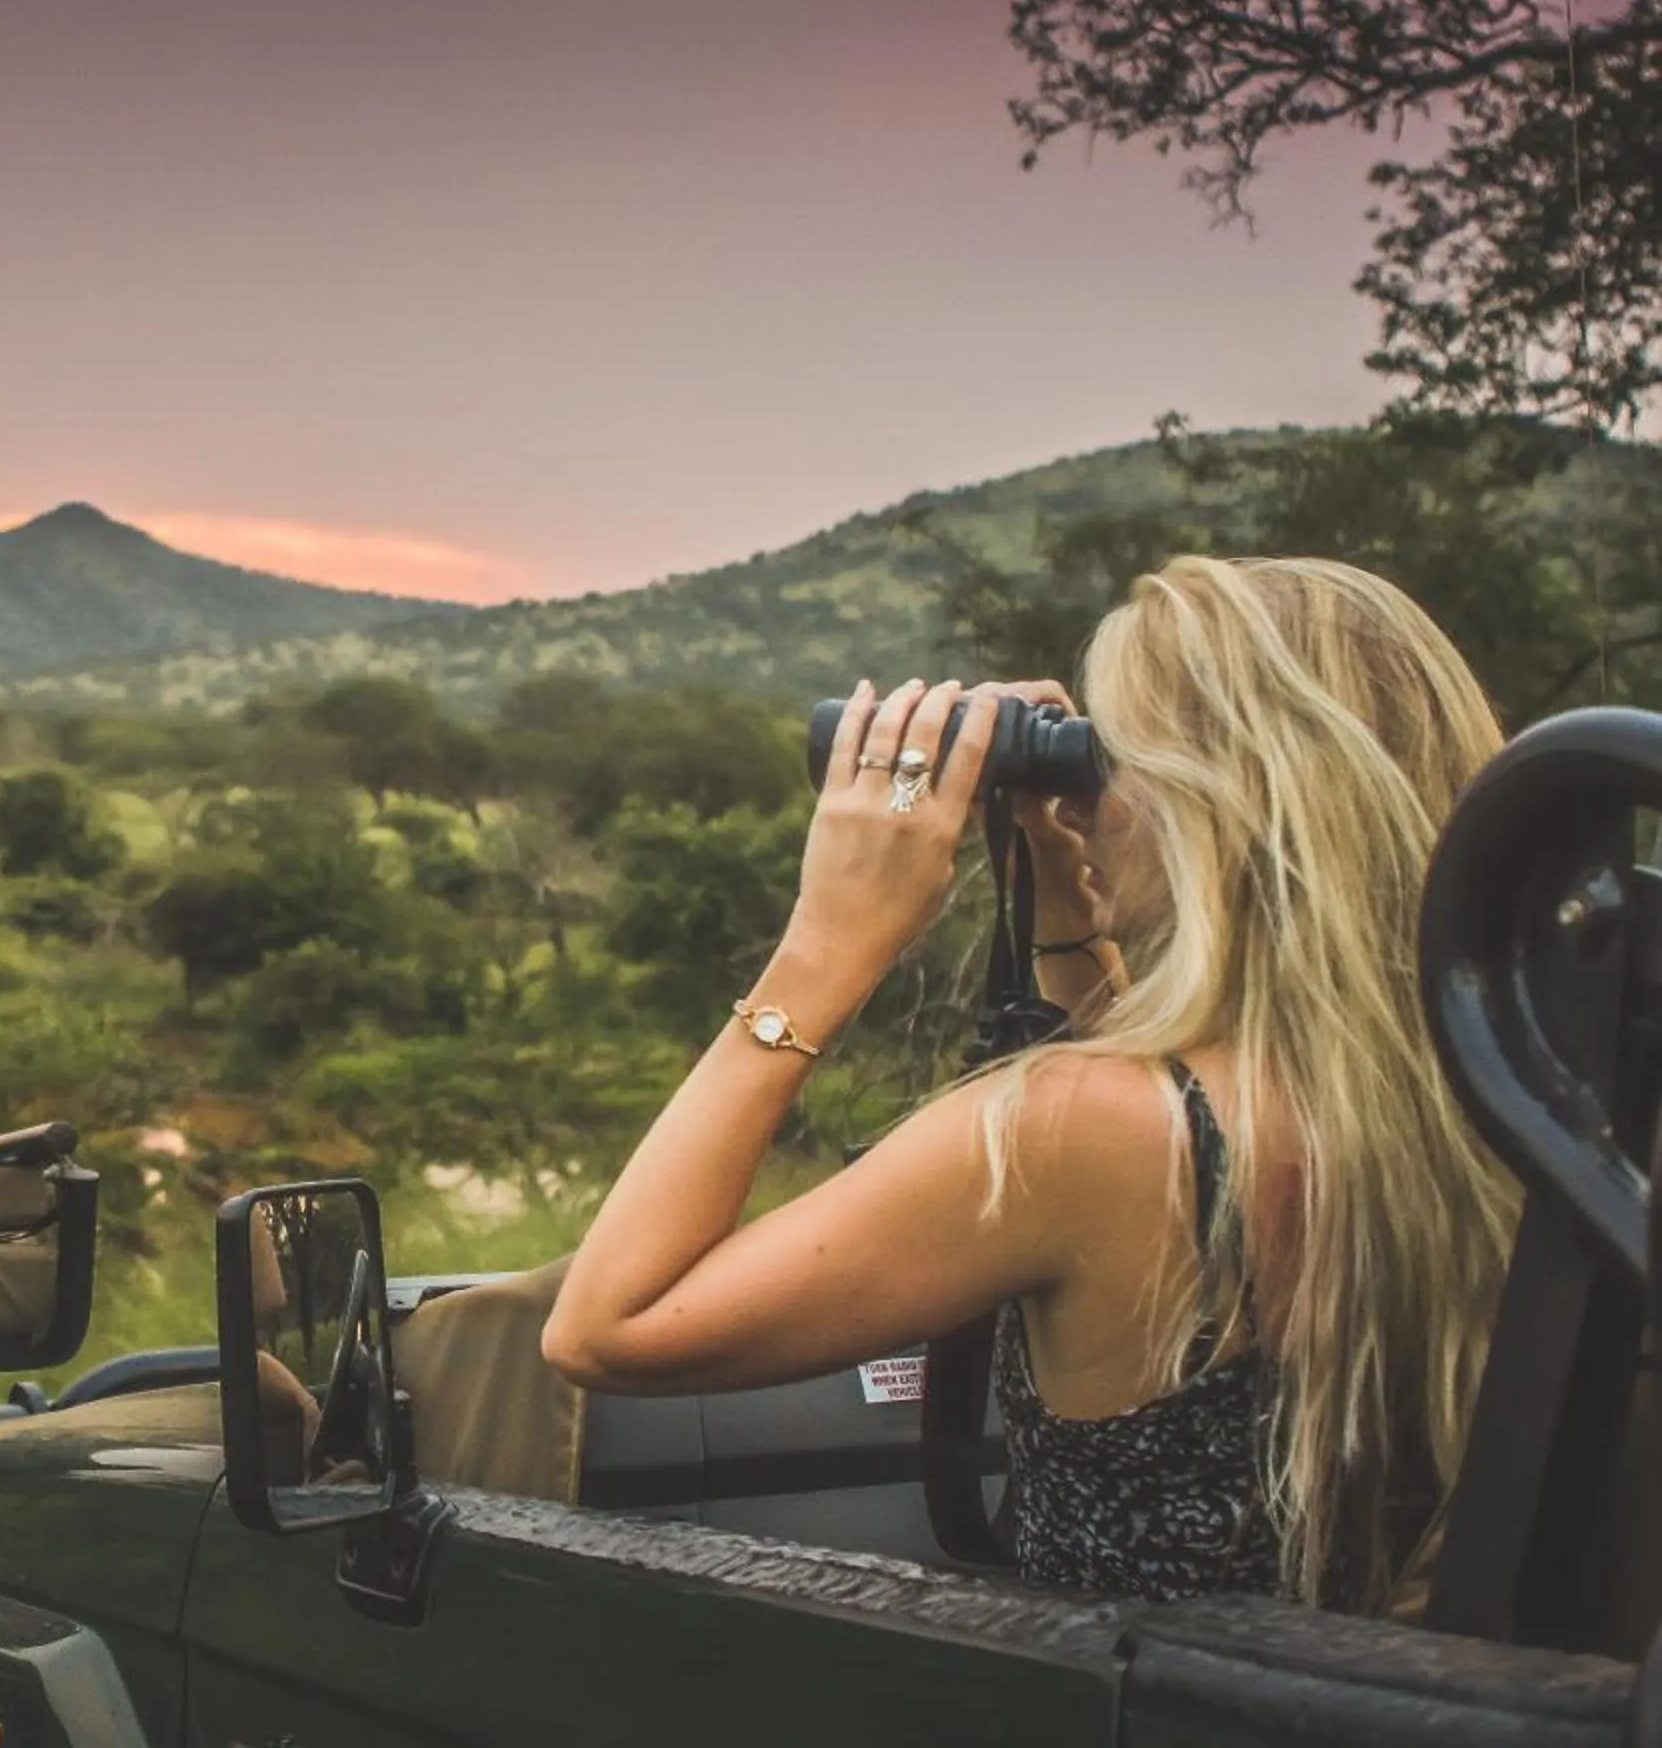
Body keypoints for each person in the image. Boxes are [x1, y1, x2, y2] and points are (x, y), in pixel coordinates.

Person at [541, 556, 1519, 1613]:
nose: (1085, 793)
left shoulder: (1078, 1133)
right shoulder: (1512, 1087)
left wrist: (826, 945)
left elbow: (608, 1325)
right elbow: (1181, 1116)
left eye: (1110, 754)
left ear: (1219, 796)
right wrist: (1067, 895)